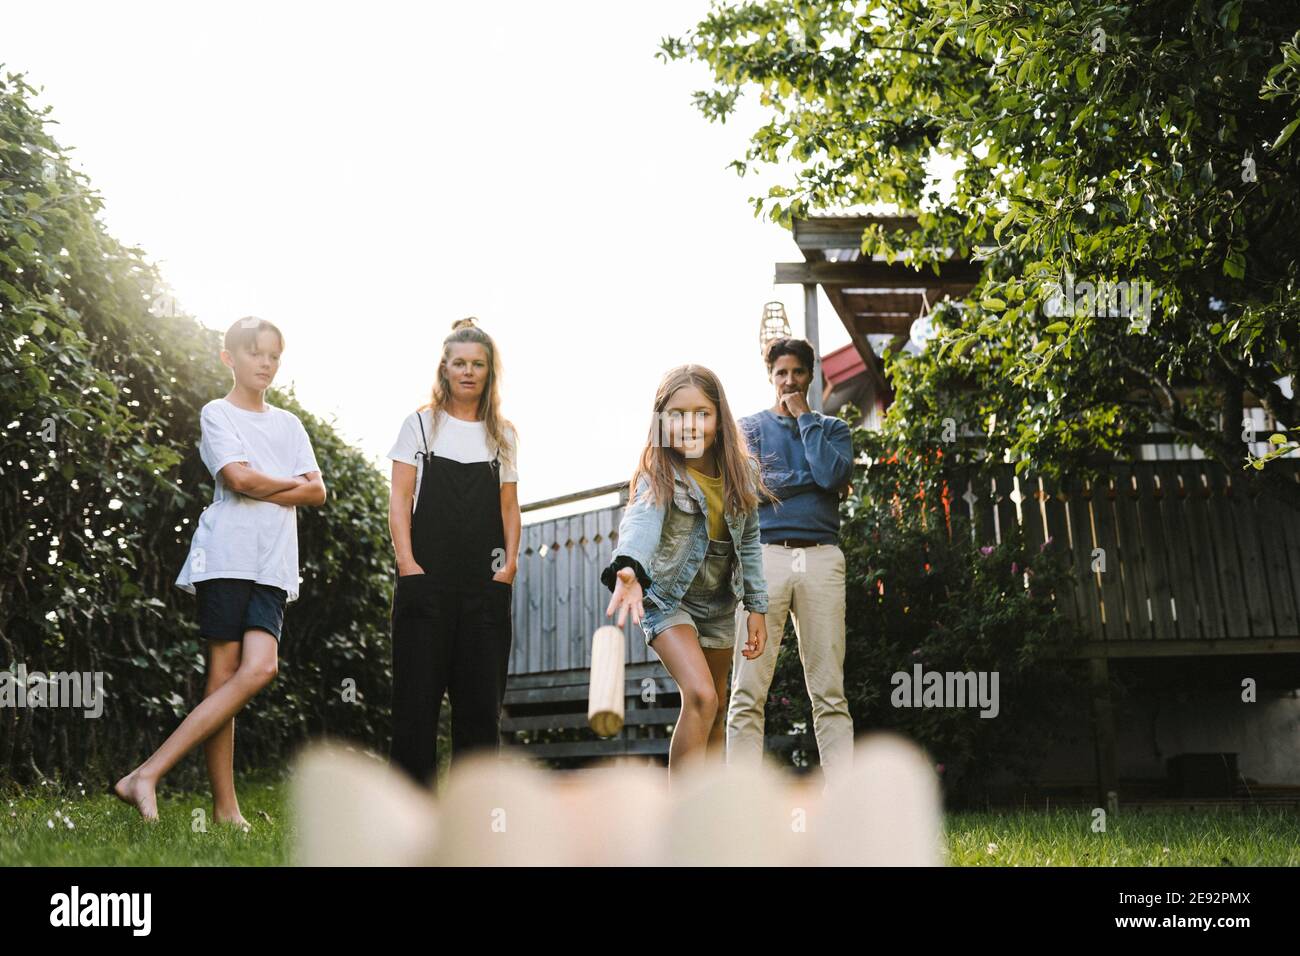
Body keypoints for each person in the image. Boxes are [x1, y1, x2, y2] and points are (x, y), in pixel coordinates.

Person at [112, 317, 327, 827]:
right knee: (223, 677)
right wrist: (286, 485)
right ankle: (226, 810)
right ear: (229, 357)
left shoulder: (290, 425)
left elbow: (317, 491)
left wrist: (261, 481)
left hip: (274, 563)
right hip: (227, 555)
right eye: (256, 353)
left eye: (274, 356)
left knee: (261, 668)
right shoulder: (217, 413)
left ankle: (147, 772)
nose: (266, 363)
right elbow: (236, 478)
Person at [602, 364, 771, 772]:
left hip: (719, 604)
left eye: (701, 413)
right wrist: (629, 567)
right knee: (701, 696)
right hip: (667, 600)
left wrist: (757, 607)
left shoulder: (742, 472)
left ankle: (707, 805)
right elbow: (642, 521)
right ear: (661, 421)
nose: (689, 425)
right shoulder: (658, 473)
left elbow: (749, 541)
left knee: (716, 705)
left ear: (719, 418)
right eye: (676, 415)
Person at [386, 317, 520, 788]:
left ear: (489, 371)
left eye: (477, 364)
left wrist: (509, 567)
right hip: (425, 583)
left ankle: (475, 811)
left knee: (480, 709)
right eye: (459, 363)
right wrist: (408, 565)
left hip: (485, 590)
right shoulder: (420, 426)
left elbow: (509, 507)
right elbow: (399, 500)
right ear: (444, 368)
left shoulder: (503, 435)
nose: (468, 371)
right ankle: (410, 811)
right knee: (415, 705)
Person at [726, 337, 855, 790]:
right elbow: (750, 489)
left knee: (829, 690)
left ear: (810, 376)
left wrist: (804, 420)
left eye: (797, 372)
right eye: (781, 372)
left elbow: (832, 474)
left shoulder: (833, 429)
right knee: (748, 688)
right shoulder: (750, 429)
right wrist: (813, 483)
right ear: (770, 376)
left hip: (821, 558)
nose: (789, 381)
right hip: (766, 557)